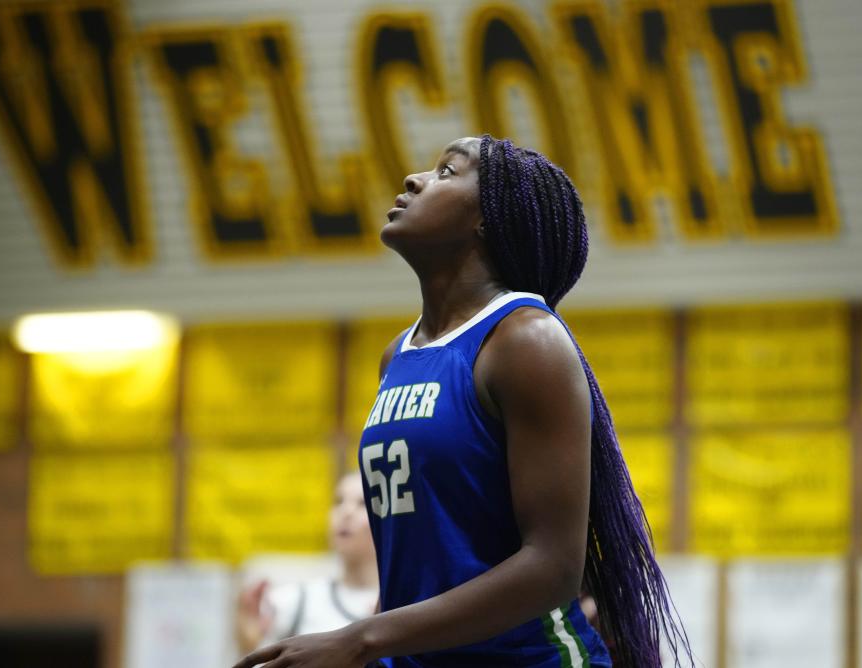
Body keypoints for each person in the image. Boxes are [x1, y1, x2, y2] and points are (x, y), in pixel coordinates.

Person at [234, 135, 689, 667]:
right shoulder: (396, 356)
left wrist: (360, 637)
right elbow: (419, 553)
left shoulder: (525, 340)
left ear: (488, 220)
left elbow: (552, 567)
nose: (415, 180)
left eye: (448, 172)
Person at [235, 472, 379, 654]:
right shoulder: (294, 602)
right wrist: (251, 644)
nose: (346, 512)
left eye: (362, 504)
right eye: (338, 502)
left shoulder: (407, 609)